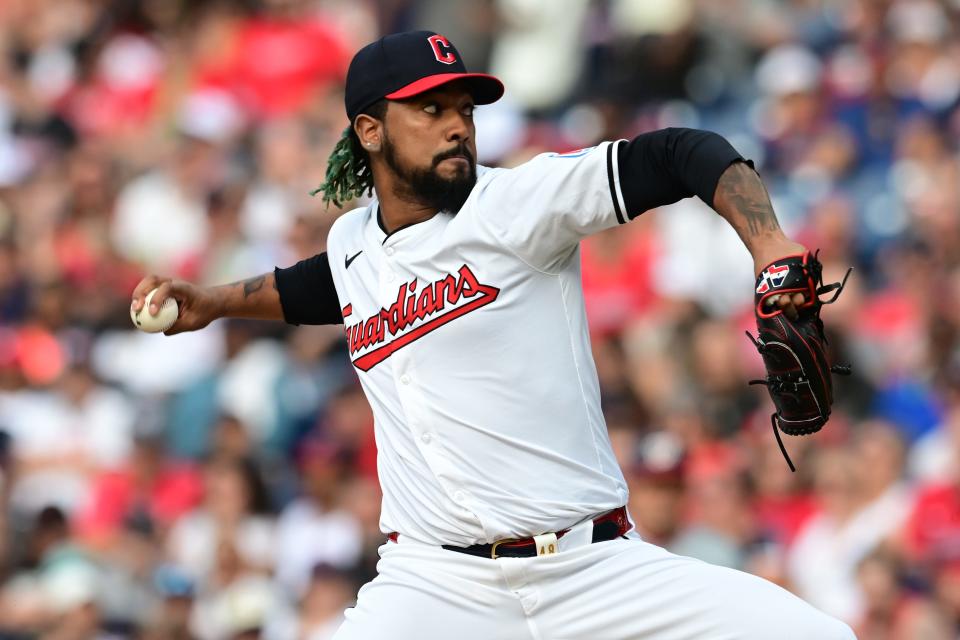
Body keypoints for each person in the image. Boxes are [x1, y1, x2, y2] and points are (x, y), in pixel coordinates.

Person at [132, 30, 855, 640]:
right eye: (429, 108)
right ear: (369, 129)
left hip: (592, 571)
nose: (457, 124)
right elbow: (318, 286)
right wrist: (215, 301)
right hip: (434, 586)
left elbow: (678, 153)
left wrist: (771, 249)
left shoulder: (516, 203)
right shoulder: (354, 243)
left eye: (464, 108)